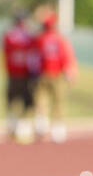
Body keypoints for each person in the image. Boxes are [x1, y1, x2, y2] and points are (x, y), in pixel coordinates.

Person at [33, 11, 77, 141]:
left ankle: (43, 127)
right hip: (55, 75)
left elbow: (34, 58)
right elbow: (67, 57)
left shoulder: (40, 39)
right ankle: (57, 131)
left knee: (43, 101)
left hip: (44, 74)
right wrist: (70, 73)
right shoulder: (60, 40)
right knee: (58, 103)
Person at [2, 10, 39, 143]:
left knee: (14, 101)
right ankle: (19, 127)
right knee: (24, 101)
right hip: (22, 73)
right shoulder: (28, 36)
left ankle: (14, 126)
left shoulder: (10, 35)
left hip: (15, 73)